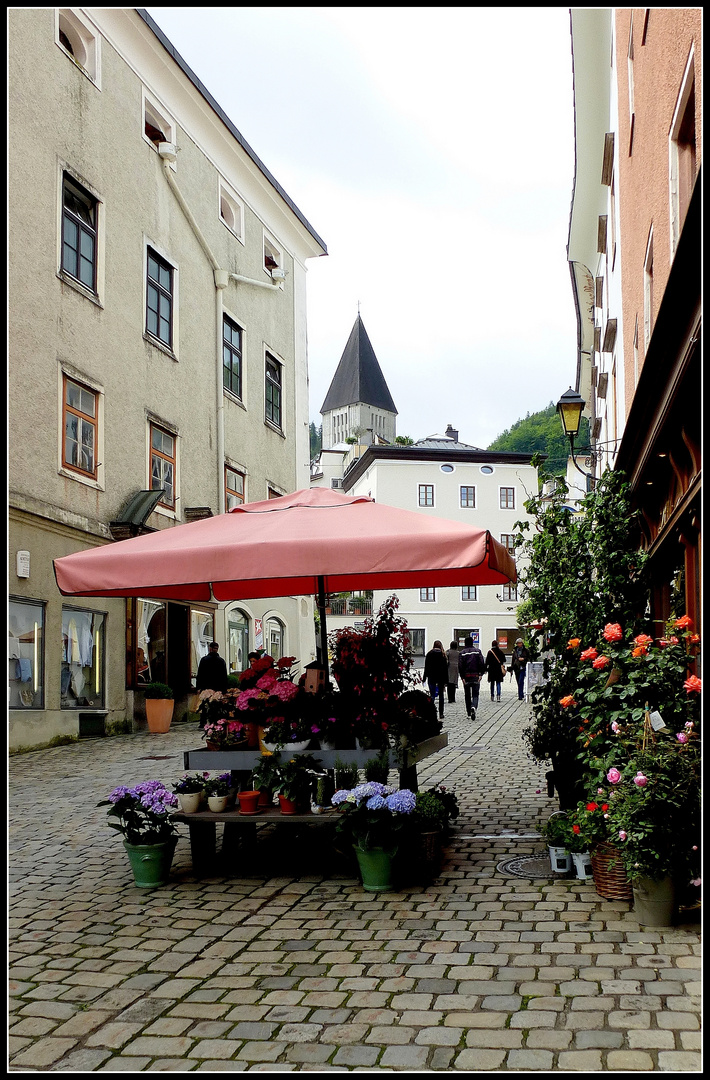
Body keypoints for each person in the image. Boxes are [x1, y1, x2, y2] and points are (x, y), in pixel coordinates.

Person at [458, 635, 485, 719]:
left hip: (466, 676)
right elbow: (481, 663)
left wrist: (462, 677)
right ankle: (474, 706)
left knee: (467, 695)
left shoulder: (462, 653)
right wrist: (481, 674)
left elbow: (460, 666)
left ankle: (469, 713)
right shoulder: (477, 651)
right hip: (475, 675)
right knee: (475, 694)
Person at [423, 640, 448, 718]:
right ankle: (441, 713)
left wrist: (424, 678)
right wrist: (446, 680)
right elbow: (445, 669)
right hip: (441, 678)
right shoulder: (443, 655)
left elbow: (426, 667)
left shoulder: (429, 654)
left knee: (432, 695)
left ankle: (431, 712)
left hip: (431, 677)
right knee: (441, 695)